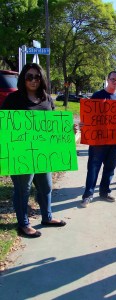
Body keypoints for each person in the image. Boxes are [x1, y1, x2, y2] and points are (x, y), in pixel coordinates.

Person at [1, 63, 66, 238]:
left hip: (42, 152)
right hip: (21, 153)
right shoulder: (13, 99)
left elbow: (54, 125)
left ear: (41, 79)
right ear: (23, 78)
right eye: (29, 76)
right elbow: (4, 126)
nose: (33, 80)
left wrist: (66, 130)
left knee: (46, 186)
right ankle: (23, 224)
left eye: (37, 77)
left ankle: (47, 217)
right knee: (23, 188)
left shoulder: (46, 99)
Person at [81, 71, 116, 207]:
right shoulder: (97, 96)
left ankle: (104, 192)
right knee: (93, 167)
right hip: (98, 141)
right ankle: (88, 194)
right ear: (107, 80)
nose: (115, 82)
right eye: (113, 79)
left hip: (115, 142)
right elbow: (89, 116)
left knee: (110, 168)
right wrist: (83, 124)